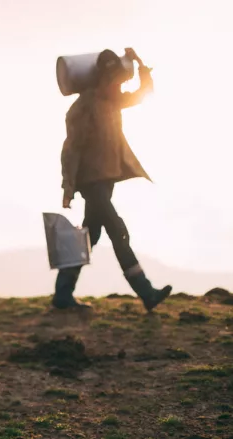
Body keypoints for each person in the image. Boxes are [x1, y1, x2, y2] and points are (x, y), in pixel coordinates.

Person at [55, 47, 172, 311]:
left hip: (105, 181)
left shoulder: (113, 101)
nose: (119, 86)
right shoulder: (85, 106)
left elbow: (144, 94)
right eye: (115, 80)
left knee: (90, 236)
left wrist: (141, 64)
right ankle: (146, 292)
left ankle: (62, 294)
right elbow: (71, 149)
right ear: (103, 79)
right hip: (91, 182)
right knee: (117, 231)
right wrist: (68, 186)